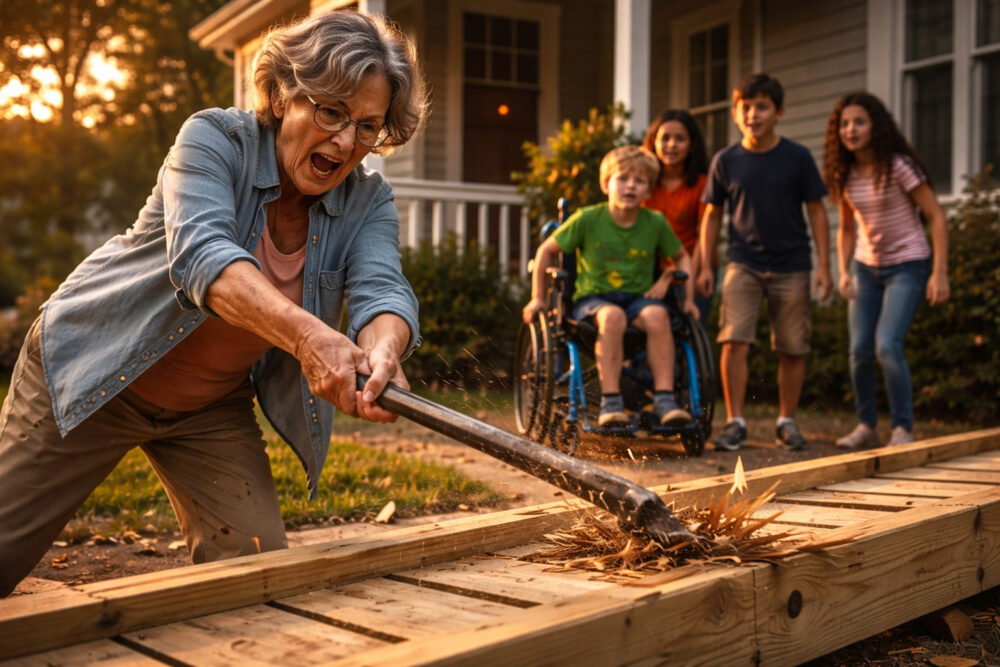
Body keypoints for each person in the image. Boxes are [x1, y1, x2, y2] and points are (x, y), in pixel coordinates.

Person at [0, 11, 429, 597]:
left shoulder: (368, 199)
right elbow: (205, 260)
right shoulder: (212, 139)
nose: (348, 141)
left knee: (252, 577)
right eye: (331, 111)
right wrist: (310, 339)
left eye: (368, 126)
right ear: (281, 95)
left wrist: (383, 351)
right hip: (93, 366)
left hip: (207, 405)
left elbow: (383, 289)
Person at [697, 73, 832, 452]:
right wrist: (706, 266)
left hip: (793, 264)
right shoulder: (725, 161)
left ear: (779, 112)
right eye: (745, 107)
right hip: (743, 263)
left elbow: (818, 212)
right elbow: (710, 215)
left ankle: (786, 422)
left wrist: (824, 266)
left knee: (792, 347)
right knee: (733, 340)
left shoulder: (797, 158)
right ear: (736, 113)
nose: (753, 114)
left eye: (762, 107)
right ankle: (735, 422)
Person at [522, 145, 699, 428]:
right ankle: (611, 402)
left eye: (639, 181)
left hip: (637, 300)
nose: (630, 185)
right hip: (593, 301)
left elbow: (682, 258)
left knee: (659, 315)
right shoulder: (587, 218)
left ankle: (665, 400)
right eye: (623, 178)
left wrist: (681, 292)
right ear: (606, 184)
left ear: (648, 191)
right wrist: (537, 298)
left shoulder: (654, 222)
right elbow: (545, 251)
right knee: (612, 316)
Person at [823, 92, 949, 449]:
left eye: (859, 122)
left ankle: (902, 429)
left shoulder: (899, 167)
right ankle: (867, 426)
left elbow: (936, 216)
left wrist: (939, 273)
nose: (851, 129)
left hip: (907, 265)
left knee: (887, 346)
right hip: (866, 268)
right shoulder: (844, 174)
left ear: (875, 125)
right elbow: (847, 227)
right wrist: (844, 271)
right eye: (844, 124)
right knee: (859, 350)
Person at [641, 109, 715, 324]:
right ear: (653, 142)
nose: (671, 145)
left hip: (694, 264)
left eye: (680, 139)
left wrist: (693, 273)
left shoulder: (702, 184)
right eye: (665, 138)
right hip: (650, 271)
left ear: (692, 145)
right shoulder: (642, 184)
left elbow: (704, 233)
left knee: (689, 329)